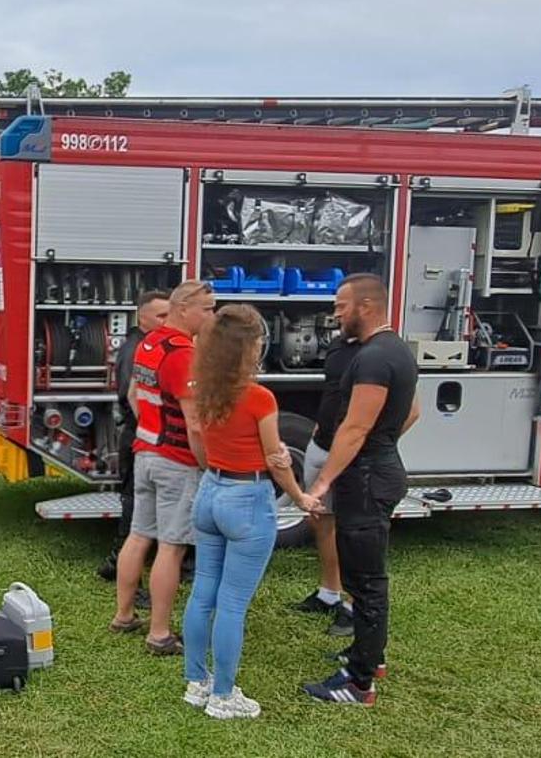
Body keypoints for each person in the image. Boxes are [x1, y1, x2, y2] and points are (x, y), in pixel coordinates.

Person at [179, 304, 318, 719]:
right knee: (233, 603)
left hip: (210, 491)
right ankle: (223, 696)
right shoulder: (259, 398)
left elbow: (200, 443)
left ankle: (196, 682)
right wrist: (300, 497)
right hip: (247, 498)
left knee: (203, 592)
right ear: (251, 347)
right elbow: (276, 458)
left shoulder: (203, 389)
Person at [301, 273, 419, 706]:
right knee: (365, 578)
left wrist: (323, 481)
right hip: (378, 469)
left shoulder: (374, 358)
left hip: (367, 479)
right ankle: (370, 657)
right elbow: (409, 412)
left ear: (366, 306)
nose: (336, 314)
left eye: (341, 306)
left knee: (366, 582)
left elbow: (354, 428)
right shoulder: (394, 350)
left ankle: (358, 683)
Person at [108, 280, 215, 656]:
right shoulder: (184, 354)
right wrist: (206, 463)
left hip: (146, 452)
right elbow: (195, 422)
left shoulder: (148, 343)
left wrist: (150, 430)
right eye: (207, 308)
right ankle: (159, 633)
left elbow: (135, 395)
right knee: (171, 547)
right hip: (176, 460)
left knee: (138, 535)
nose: (212, 315)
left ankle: (124, 615)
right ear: (183, 309)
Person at [289, 332, 363, 637]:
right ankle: (329, 593)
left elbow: (410, 410)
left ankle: (354, 605)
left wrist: (376, 443)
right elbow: (332, 393)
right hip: (320, 445)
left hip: (354, 454)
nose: (338, 313)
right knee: (319, 519)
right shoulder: (337, 346)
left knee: (356, 530)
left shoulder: (382, 353)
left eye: (343, 309)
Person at [100, 290, 172, 586]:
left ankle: (115, 563)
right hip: (138, 435)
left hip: (138, 435)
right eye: (161, 316)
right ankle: (124, 571)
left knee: (138, 504)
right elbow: (135, 397)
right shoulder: (138, 349)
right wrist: (155, 433)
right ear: (142, 317)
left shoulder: (144, 344)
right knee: (135, 508)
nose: (167, 321)